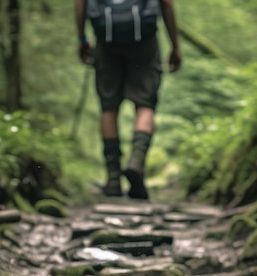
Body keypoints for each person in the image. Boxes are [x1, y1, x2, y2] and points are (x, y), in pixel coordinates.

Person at [75, 0, 181, 200]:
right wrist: (175, 45)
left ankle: (113, 179)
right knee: (145, 105)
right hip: (144, 41)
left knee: (108, 107)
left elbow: (80, 3)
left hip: (106, 40)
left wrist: (81, 38)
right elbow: (166, 4)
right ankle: (136, 162)